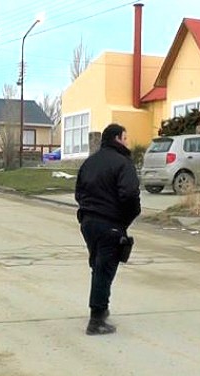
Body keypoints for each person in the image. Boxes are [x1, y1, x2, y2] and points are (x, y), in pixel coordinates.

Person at [75, 123, 141, 335]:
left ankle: (101, 310)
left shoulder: (89, 162)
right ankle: (96, 319)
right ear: (117, 138)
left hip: (88, 222)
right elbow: (130, 195)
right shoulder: (123, 163)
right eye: (125, 137)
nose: (127, 141)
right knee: (105, 268)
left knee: (99, 265)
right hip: (110, 222)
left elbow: (78, 192)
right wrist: (125, 219)